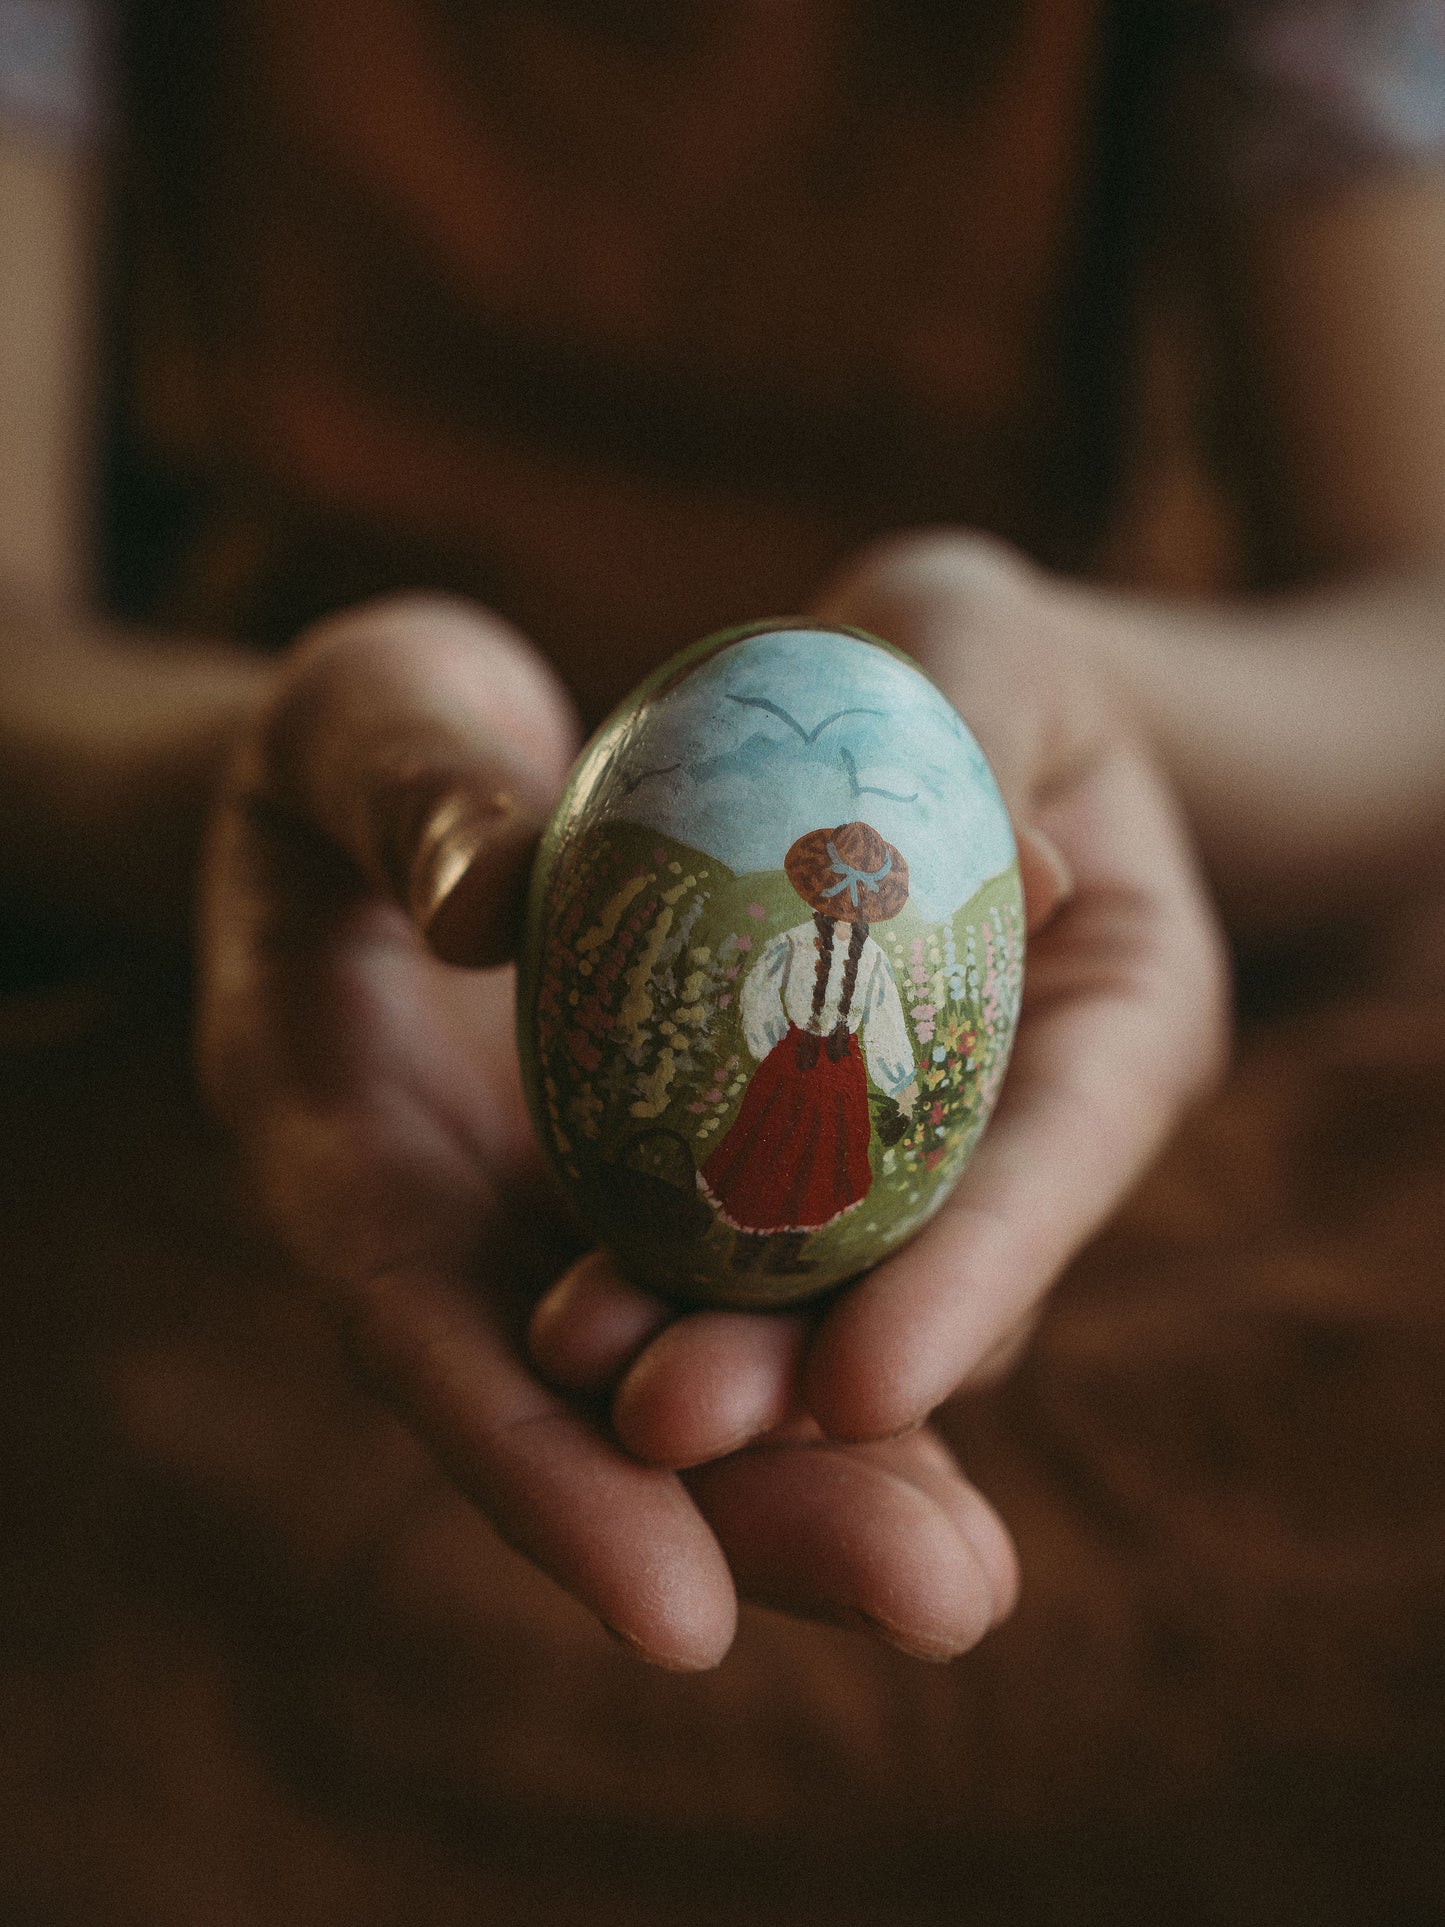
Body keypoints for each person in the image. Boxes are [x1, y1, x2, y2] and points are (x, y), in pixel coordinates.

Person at [2, 0, 1445, 1681]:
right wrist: (265, 781)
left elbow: (1418, 632)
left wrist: (1085, 699)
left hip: (1132, 1112)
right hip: (267, 1038)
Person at [700, 820, 918, 1274]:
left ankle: (786, 1251)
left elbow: (885, 1018)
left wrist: (899, 1080)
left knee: (822, 1162)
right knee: (772, 1153)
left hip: (839, 1073)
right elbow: (758, 994)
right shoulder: (793, 944)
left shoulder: (873, 960)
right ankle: (746, 1250)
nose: (847, 910)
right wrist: (775, 1047)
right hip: (794, 1065)